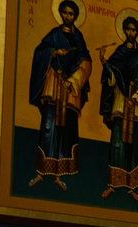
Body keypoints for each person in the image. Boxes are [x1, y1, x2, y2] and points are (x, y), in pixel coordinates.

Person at [28, 0, 91, 191]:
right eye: (64, 13)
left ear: (75, 16)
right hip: (53, 84)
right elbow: (40, 51)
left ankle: (58, 175)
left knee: (66, 130)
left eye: (71, 14)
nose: (67, 16)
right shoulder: (54, 35)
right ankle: (41, 172)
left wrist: (75, 80)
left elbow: (86, 60)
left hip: (70, 88)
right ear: (61, 14)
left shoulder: (78, 38)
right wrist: (53, 53)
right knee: (48, 127)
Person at [97, 16, 138, 201]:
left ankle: (132, 187)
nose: (130, 33)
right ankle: (114, 185)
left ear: (137, 32)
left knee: (136, 145)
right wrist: (105, 64)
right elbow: (112, 78)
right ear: (124, 31)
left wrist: (137, 98)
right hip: (121, 104)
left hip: (137, 108)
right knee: (118, 144)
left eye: (133, 30)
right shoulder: (118, 54)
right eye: (128, 29)